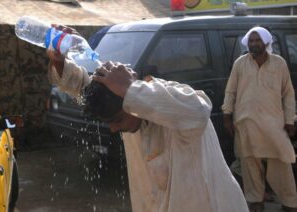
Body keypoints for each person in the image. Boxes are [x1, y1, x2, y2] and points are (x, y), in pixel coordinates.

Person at [46, 27, 249, 212]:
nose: (114, 129)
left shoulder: (174, 104)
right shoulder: (125, 105)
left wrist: (131, 89)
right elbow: (87, 86)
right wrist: (61, 63)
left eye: (117, 120)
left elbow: (199, 111)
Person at [222, 26, 297, 212]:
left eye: (257, 40)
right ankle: (255, 201)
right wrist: (227, 115)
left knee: (281, 164)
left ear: (266, 42)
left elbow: (288, 94)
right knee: (250, 165)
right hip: (246, 124)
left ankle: (289, 202)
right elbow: (230, 91)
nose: (254, 44)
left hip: (273, 126)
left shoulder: (279, 64)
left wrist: (289, 120)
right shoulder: (240, 64)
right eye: (251, 41)